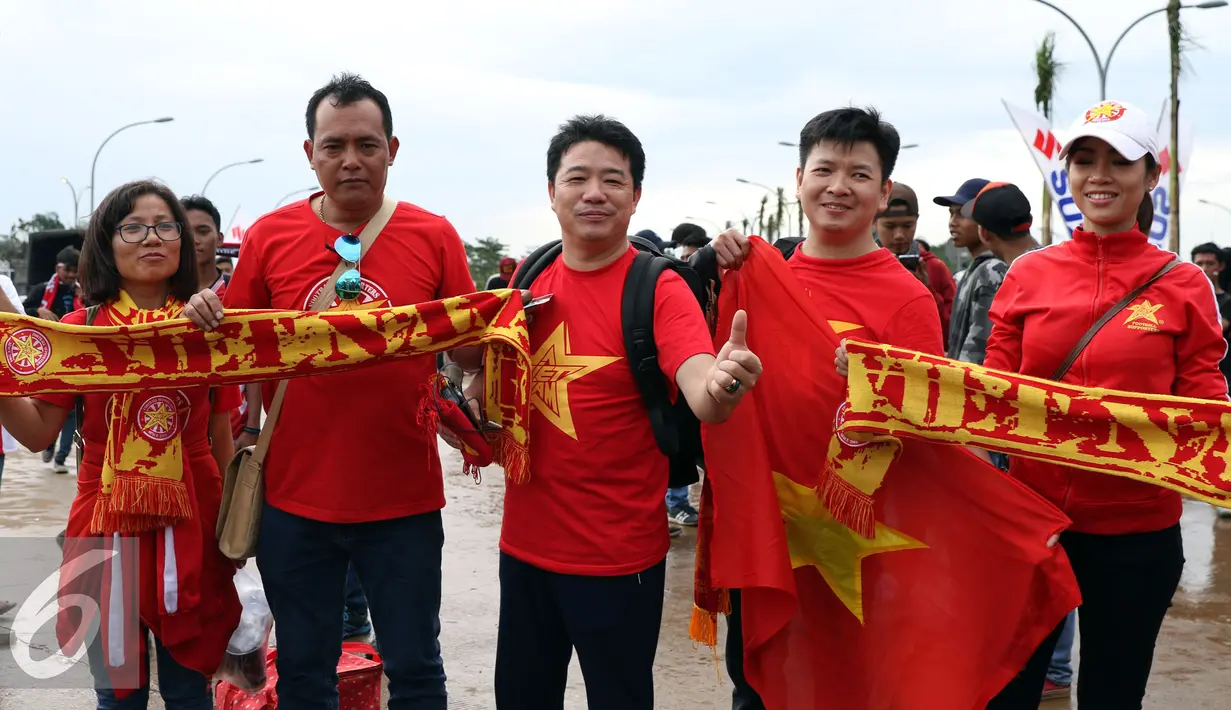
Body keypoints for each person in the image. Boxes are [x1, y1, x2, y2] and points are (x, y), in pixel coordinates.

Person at [183, 73, 475, 710]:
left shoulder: (435, 236)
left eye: (367, 145)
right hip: (293, 503)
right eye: (334, 144)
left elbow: (470, 352)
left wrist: (504, 330)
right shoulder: (269, 235)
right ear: (309, 152)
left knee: (418, 670)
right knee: (305, 674)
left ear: (392, 150)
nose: (351, 160)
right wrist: (205, 309)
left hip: (405, 504)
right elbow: (238, 353)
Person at [464, 114, 761, 710]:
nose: (594, 193)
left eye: (612, 180)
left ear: (635, 196)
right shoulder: (528, 281)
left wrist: (724, 386)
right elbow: (489, 382)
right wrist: (467, 404)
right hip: (523, 552)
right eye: (577, 178)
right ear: (552, 194)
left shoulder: (659, 287)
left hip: (618, 561)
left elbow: (699, 383)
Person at [984, 100, 1228, 709]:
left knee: (1112, 695)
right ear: (1066, 174)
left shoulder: (1184, 282)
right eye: (1084, 159)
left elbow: (1204, 404)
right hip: (1032, 526)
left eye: (1120, 160)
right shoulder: (1027, 274)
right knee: (1005, 692)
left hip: (1137, 534)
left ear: (1150, 177)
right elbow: (992, 392)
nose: (1100, 174)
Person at [710, 106, 943, 710]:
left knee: (854, 686)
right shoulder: (759, 279)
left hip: (861, 543)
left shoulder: (909, 300)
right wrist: (712, 269)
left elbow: (930, 435)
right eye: (825, 169)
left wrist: (878, 394)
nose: (839, 187)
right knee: (762, 686)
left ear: (884, 190)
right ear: (798, 179)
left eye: (860, 174)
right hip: (768, 533)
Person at [0, 179, 242, 709]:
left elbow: (221, 433)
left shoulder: (210, 326)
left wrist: (234, 531)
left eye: (164, 225)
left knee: (188, 692)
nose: (150, 238)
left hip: (192, 521)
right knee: (118, 692)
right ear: (106, 243)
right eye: (132, 227)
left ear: (182, 242)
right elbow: (41, 432)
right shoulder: (80, 328)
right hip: (103, 521)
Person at [661, 221, 712, 527]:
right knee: (676, 439)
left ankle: (676, 503)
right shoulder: (668, 275)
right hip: (678, 370)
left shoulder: (707, 270)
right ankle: (674, 503)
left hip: (704, 365)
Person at [24, 246, 83, 473]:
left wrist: (83, 299)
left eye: (75, 271)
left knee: (72, 411)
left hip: (75, 358)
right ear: (58, 268)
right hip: (48, 359)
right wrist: (38, 310)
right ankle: (48, 443)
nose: (71, 276)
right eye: (68, 270)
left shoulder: (84, 292)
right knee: (49, 405)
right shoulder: (41, 290)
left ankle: (61, 457)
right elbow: (21, 313)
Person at [941, 180, 1011, 365]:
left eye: (962, 214)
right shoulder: (974, 271)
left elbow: (979, 353)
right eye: (951, 213)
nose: (953, 222)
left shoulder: (991, 271)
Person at [875, 183, 955, 340]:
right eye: (890, 226)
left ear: (917, 221)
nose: (899, 235)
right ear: (873, 222)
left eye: (907, 225)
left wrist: (928, 291)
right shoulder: (859, 266)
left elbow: (951, 333)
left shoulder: (935, 268)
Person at [1191, 242, 1231, 522]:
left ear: (1220, 267)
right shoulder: (1185, 295)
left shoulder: (1227, 300)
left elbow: (1213, 331)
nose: (1204, 269)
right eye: (1199, 263)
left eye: (1209, 264)